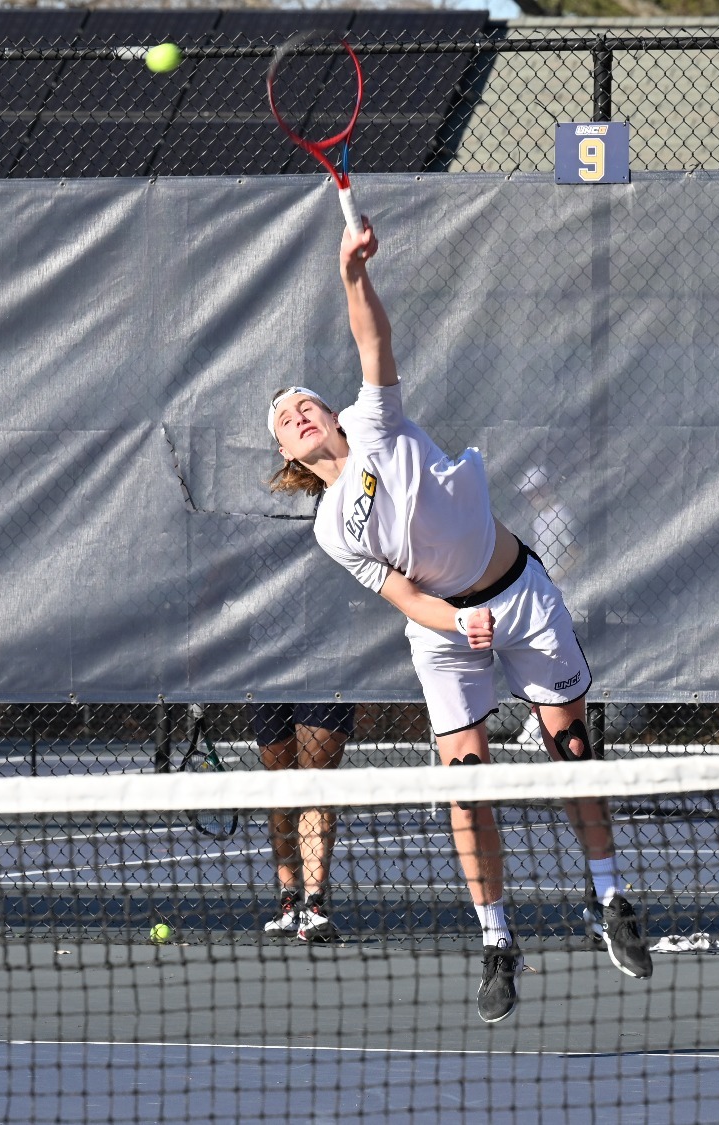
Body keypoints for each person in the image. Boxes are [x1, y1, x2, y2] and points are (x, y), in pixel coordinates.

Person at [265, 217, 651, 1024]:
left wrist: (351, 274)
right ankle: (497, 939)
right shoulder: (333, 526)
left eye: (304, 402)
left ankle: (610, 899)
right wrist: (453, 621)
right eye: (282, 419)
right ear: (292, 457)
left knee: (572, 751)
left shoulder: (375, 422)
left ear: (333, 417)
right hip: (446, 637)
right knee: (467, 788)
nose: (296, 413)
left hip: (522, 595)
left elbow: (373, 338)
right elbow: (405, 596)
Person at [252, 702, 355, 943]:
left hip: (326, 670)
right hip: (267, 671)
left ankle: (313, 906)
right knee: (282, 781)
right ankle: (289, 901)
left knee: (315, 777)